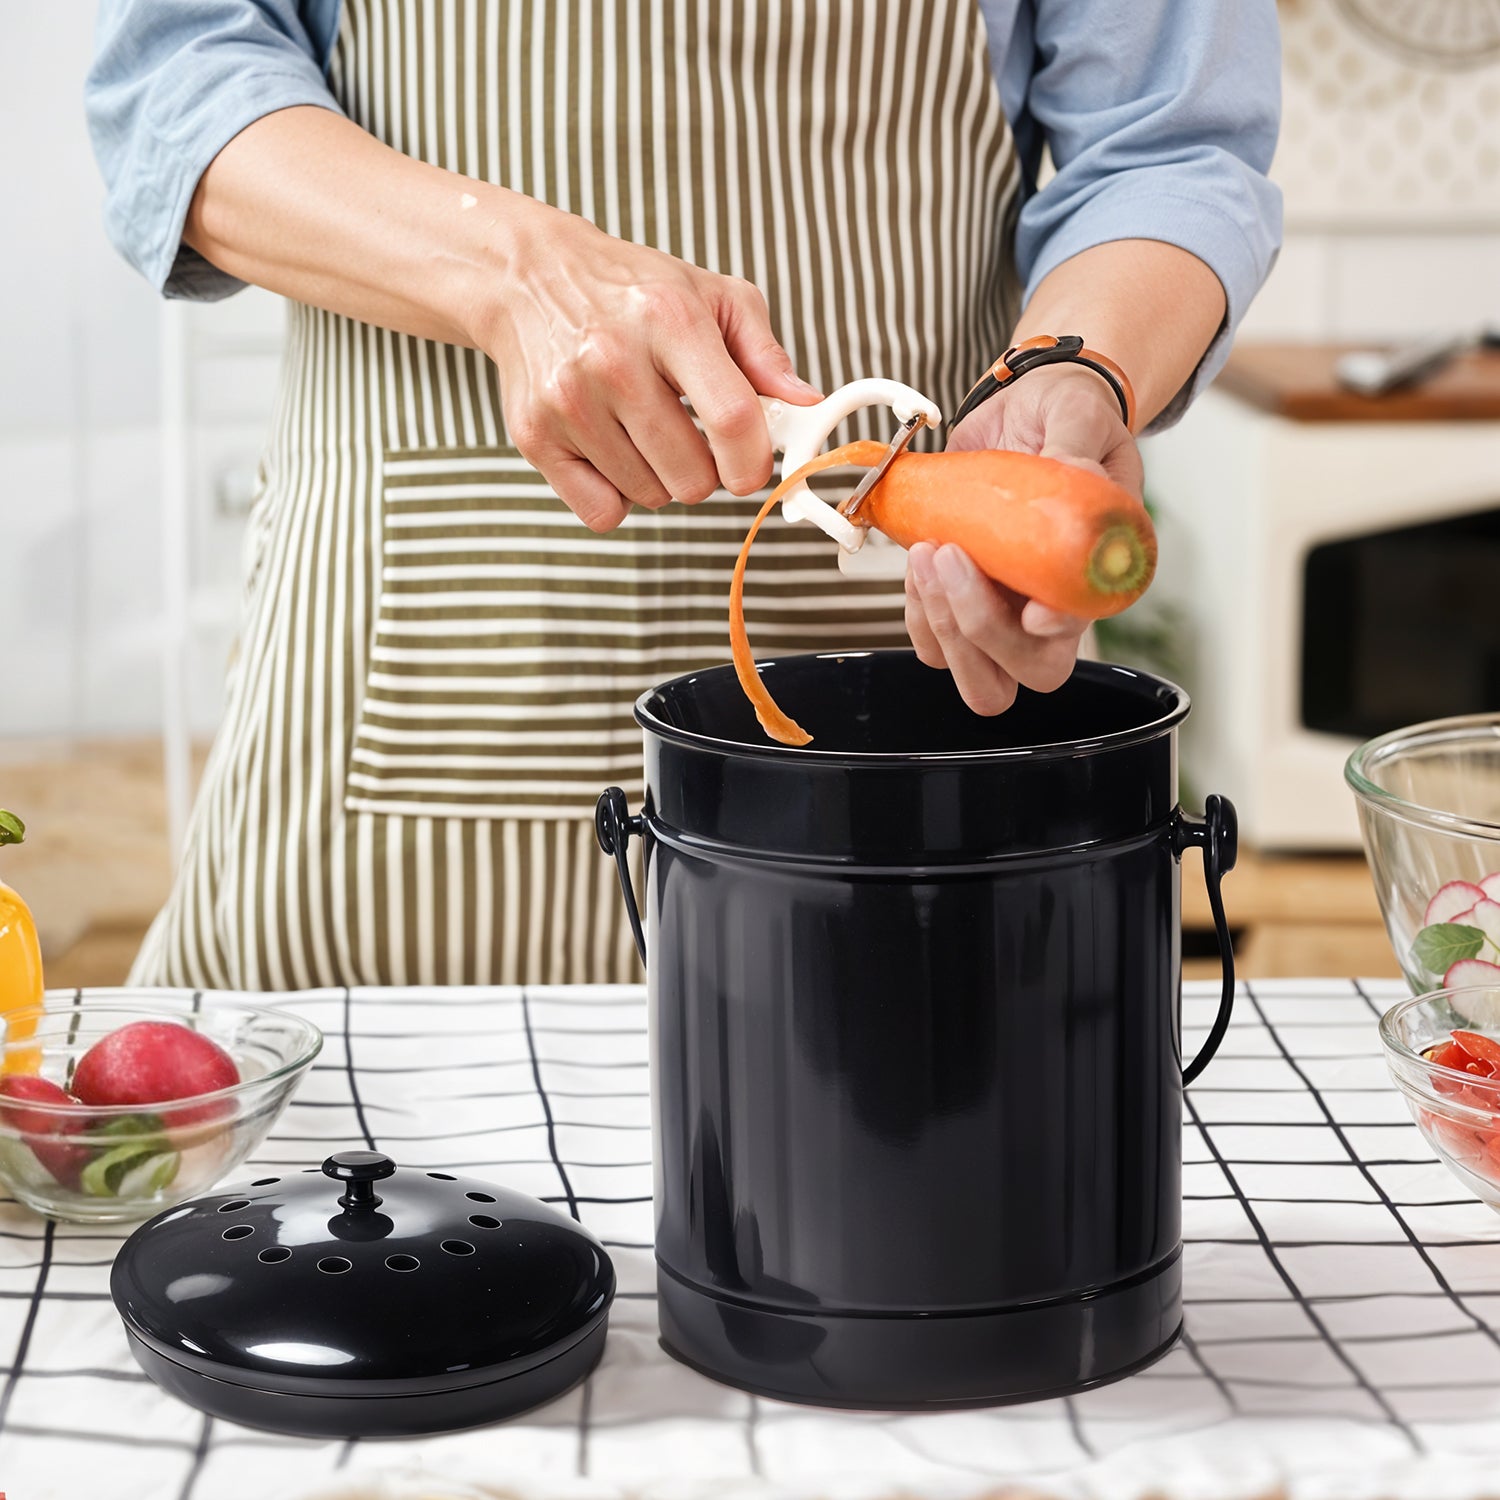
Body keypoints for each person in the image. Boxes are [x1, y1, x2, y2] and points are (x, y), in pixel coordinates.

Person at [87, 1, 1281, 991]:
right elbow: (173, 80)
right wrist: (512, 273)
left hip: (907, 692)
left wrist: (1074, 367)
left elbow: (1168, 148)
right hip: (401, 714)